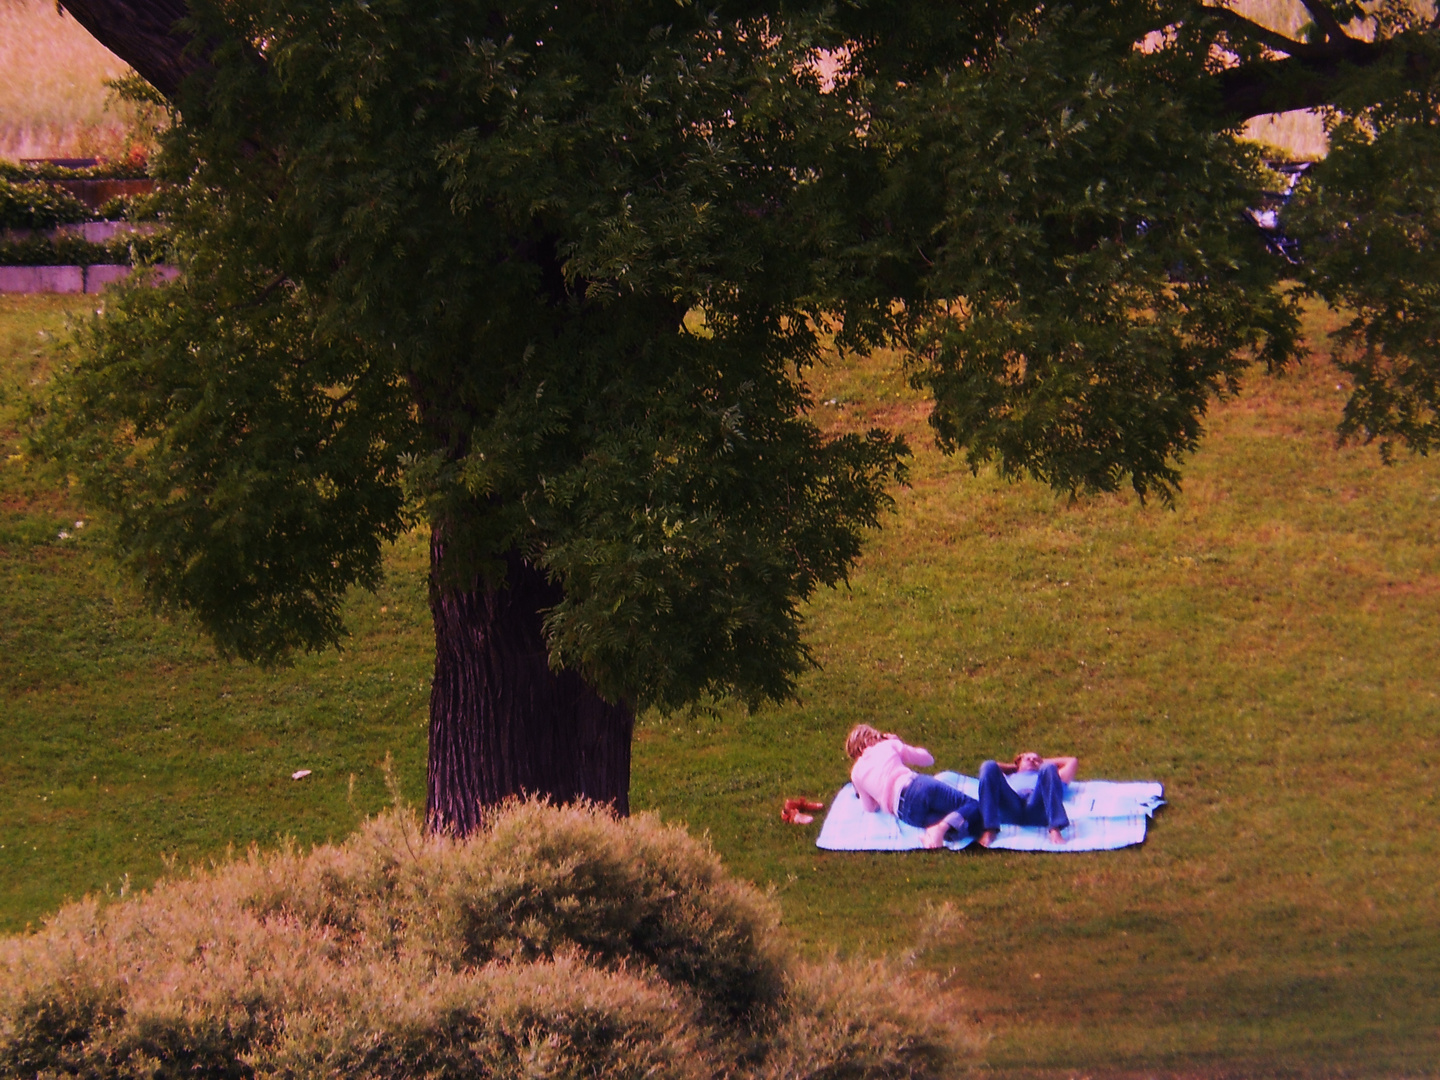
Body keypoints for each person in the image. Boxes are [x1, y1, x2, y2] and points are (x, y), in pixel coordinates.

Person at [845, 724, 982, 849]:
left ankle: (937, 830)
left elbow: (869, 808)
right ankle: (942, 827)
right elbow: (927, 759)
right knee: (973, 806)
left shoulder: (856, 773)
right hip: (917, 787)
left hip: (904, 812)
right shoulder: (887, 745)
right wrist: (898, 743)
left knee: (966, 829)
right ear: (870, 739)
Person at [976, 751, 1078, 847]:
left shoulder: (1050, 776)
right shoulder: (1009, 776)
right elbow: (990, 770)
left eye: (1035, 759)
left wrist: (1041, 764)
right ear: (1018, 762)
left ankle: (1055, 829)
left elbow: (1072, 761)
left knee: (1049, 767)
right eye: (1027, 759)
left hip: (1038, 807)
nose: (1032, 760)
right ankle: (989, 829)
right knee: (988, 765)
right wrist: (1016, 767)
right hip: (1012, 806)